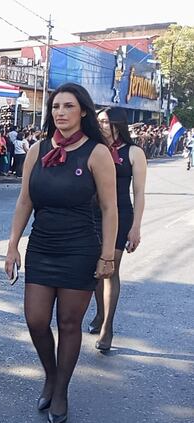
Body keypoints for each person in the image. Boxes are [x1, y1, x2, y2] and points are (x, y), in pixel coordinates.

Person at [5, 83, 118, 423]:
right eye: (56, 107)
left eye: (68, 106)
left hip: (79, 249)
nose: (61, 113)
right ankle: (50, 375)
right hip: (42, 246)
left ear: (82, 111)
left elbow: (109, 208)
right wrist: (13, 244)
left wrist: (106, 257)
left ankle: (61, 391)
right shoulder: (38, 150)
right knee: (36, 320)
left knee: (69, 324)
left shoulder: (96, 153)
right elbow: (25, 200)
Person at [88, 107, 147, 352]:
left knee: (110, 268)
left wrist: (136, 227)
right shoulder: (92, 148)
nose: (100, 125)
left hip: (121, 214)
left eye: (105, 121)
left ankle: (107, 327)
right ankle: (100, 313)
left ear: (117, 124)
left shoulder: (134, 152)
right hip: (91, 214)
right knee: (94, 270)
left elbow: (140, 193)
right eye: (98, 120)